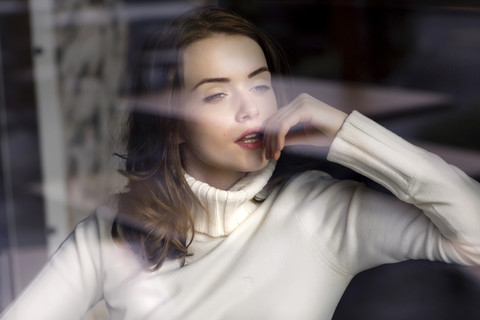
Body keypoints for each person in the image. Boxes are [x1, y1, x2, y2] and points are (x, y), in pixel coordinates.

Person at [1, 5, 479, 320]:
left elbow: (472, 237)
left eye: (259, 83)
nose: (250, 109)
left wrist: (345, 129)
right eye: (216, 95)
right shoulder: (110, 235)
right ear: (171, 122)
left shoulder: (321, 212)